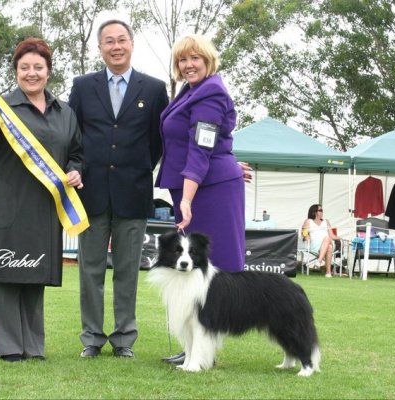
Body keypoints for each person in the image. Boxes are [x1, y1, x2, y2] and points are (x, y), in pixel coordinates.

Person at [0, 38, 84, 362]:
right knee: (5, 275)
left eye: (38, 67)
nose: (32, 73)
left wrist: (75, 171)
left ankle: (32, 346)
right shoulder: (0, 106)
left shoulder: (65, 113)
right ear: (16, 71)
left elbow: (76, 153)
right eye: (24, 67)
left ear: (49, 71)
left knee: (34, 276)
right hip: (9, 203)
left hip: (45, 207)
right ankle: (8, 347)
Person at [68, 20, 169, 359]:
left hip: (134, 193)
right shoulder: (82, 86)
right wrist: (76, 169)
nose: (116, 46)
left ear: (131, 44)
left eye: (121, 40)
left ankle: (124, 339)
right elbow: (73, 135)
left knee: (127, 272)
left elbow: (158, 141)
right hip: (90, 193)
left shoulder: (153, 89)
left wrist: (138, 168)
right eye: (109, 41)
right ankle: (92, 338)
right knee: (90, 271)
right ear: (100, 48)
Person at [154, 34, 246, 366]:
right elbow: (212, 142)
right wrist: (227, 160)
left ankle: (203, 349)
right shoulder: (190, 90)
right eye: (182, 59)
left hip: (207, 191)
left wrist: (187, 200)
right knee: (193, 275)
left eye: (195, 58)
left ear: (208, 60)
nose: (188, 64)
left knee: (213, 274)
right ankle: (195, 347)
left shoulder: (210, 92)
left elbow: (201, 147)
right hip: (198, 185)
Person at [302, 204, 341, 278]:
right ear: (314, 212)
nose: (322, 212)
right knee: (329, 246)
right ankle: (328, 272)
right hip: (315, 245)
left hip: (326, 242)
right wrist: (307, 237)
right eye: (320, 210)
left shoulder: (326, 221)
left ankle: (319, 262)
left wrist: (340, 238)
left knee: (328, 240)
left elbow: (332, 235)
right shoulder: (308, 221)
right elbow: (304, 233)